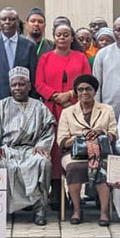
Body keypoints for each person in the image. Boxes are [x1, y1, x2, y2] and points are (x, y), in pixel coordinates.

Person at [0, 67, 55, 225]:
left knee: (43, 162)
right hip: (6, 149)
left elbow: (48, 129)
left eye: (21, 85)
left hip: (31, 149)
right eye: (14, 85)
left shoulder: (39, 107)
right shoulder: (1, 105)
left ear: (29, 86)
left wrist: (42, 145)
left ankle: (40, 211)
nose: (17, 88)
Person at [56, 74, 116, 226]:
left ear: (94, 91)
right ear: (76, 92)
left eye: (88, 89)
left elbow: (114, 134)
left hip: (100, 152)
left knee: (102, 167)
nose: (84, 93)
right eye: (80, 89)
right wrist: (81, 137)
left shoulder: (106, 110)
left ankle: (103, 212)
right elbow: (61, 140)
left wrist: (101, 133)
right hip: (74, 153)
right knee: (74, 168)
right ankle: (77, 210)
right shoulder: (68, 112)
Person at [36, 23, 91, 186]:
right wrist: (55, 96)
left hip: (75, 108)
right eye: (59, 34)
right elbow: (39, 83)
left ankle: (74, 186)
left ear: (72, 38)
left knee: (73, 143)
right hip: (51, 109)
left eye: (66, 35)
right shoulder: (45, 58)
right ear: (54, 37)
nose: (62, 37)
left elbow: (86, 79)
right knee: (53, 146)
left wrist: (69, 95)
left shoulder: (80, 57)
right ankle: (55, 189)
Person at [0, 7, 38, 117]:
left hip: (23, 102)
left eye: (11, 19)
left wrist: (32, 102)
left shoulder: (29, 45)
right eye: (4, 19)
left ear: (18, 22)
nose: (7, 22)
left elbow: (33, 77)